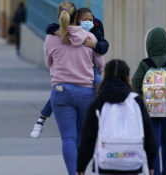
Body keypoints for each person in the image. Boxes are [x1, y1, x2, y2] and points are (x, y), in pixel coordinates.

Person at [43, 2, 104, 175]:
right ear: (76, 16)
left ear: (59, 16)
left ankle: (73, 173)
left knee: (68, 137)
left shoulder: (51, 38)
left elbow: (48, 62)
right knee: (83, 135)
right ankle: (81, 170)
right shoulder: (89, 37)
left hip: (61, 91)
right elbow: (100, 64)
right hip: (86, 92)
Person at [30, 7, 108, 138]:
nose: (88, 22)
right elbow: (50, 27)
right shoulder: (64, 31)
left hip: (91, 67)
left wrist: (94, 46)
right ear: (77, 19)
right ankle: (41, 119)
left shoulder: (95, 27)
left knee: (101, 86)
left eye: (91, 19)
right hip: (75, 76)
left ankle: (104, 116)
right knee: (58, 92)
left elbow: (103, 45)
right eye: (85, 20)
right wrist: (57, 32)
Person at [76, 59, 157, 175]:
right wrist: (150, 164)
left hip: (106, 162)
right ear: (128, 78)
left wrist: (81, 167)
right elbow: (149, 134)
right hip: (133, 162)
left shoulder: (99, 102)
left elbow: (88, 137)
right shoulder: (136, 101)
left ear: (105, 77)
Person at [132, 27, 166, 175]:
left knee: (154, 140)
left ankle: (154, 171)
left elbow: (135, 84)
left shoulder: (145, 64)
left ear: (149, 44)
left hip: (151, 109)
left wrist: (146, 98)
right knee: (165, 139)